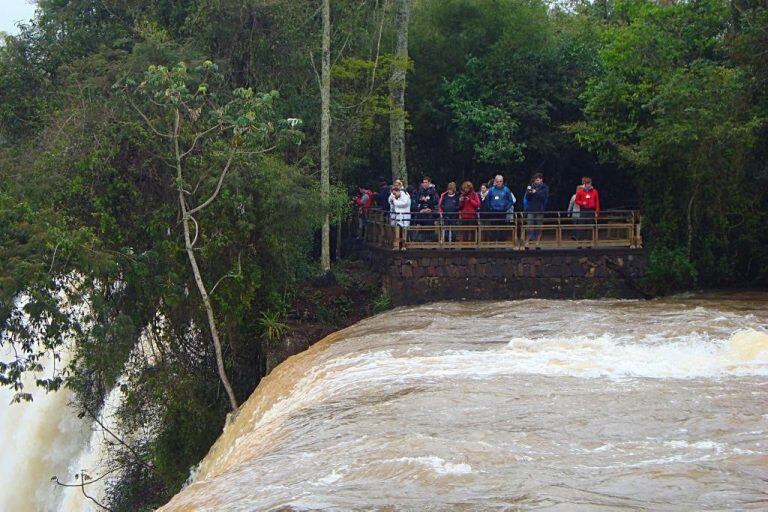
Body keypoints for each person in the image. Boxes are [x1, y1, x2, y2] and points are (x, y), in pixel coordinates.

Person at [486, 175, 516, 242]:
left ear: (502, 182)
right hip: (493, 212)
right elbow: (488, 200)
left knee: (502, 227)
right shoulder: (491, 190)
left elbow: (511, 201)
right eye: (497, 181)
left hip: (502, 212)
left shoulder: (506, 189)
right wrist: (490, 208)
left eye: (500, 181)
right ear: (495, 181)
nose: (499, 183)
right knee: (493, 227)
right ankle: (492, 243)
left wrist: (506, 208)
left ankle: (501, 243)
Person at [524, 173, 549, 246]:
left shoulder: (545, 187)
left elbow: (544, 197)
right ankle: (527, 241)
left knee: (539, 226)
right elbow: (528, 198)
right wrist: (529, 192)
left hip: (540, 209)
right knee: (529, 226)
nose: (536, 181)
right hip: (531, 208)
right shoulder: (531, 186)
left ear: (541, 180)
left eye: (538, 180)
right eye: (535, 180)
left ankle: (538, 241)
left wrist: (536, 192)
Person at [574, 177, 600, 243]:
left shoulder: (595, 191)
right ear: (584, 184)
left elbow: (597, 202)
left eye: (589, 184)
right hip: (583, 210)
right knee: (581, 226)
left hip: (591, 210)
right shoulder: (580, 191)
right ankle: (579, 242)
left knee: (590, 226)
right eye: (587, 184)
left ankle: (589, 242)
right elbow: (576, 200)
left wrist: (597, 211)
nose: (588, 185)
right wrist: (582, 203)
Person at [413, 176, 439, 241]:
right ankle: (421, 244)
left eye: (426, 182)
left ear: (429, 182)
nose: (425, 184)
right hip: (422, 213)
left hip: (430, 213)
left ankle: (432, 245)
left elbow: (436, 202)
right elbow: (416, 200)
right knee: (422, 229)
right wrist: (421, 201)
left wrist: (428, 203)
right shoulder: (420, 190)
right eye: (424, 182)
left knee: (430, 230)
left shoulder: (433, 191)